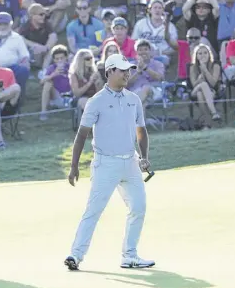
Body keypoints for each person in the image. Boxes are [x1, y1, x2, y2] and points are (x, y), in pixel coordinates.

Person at [64, 53, 154, 271]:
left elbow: (141, 131)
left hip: (130, 162)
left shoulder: (133, 99)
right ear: (110, 72)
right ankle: (75, 255)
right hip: (105, 163)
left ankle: (130, 255)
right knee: (94, 210)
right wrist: (74, 166)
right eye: (122, 70)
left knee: (139, 207)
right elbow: (82, 134)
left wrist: (144, 158)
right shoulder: (97, 101)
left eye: (129, 70)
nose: (127, 74)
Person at [189, 43, 222, 125]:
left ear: (209, 54)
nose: (203, 55)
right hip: (195, 91)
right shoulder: (192, 67)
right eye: (200, 53)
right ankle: (214, 112)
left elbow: (213, 83)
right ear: (196, 56)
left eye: (205, 53)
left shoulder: (215, 65)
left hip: (211, 92)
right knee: (202, 85)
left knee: (201, 94)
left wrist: (205, 70)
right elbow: (194, 85)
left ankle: (207, 123)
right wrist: (200, 78)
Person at [40, 44, 71, 120]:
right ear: (54, 60)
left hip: (70, 96)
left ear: (66, 58)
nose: (59, 60)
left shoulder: (71, 67)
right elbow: (41, 82)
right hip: (56, 96)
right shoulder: (51, 68)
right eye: (57, 59)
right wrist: (53, 74)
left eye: (61, 58)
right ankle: (43, 112)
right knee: (48, 83)